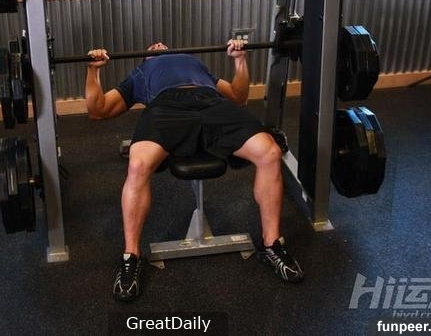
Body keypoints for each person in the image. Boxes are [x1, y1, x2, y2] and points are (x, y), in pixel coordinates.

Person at [85, 40, 304, 302]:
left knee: (270, 153)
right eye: (152, 47)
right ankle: (130, 257)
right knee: (138, 164)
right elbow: (98, 109)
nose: (158, 44)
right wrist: (93, 70)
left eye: (163, 44)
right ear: (145, 57)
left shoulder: (195, 64)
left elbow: (238, 96)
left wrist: (240, 60)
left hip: (211, 103)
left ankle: (272, 245)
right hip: (166, 108)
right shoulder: (140, 73)